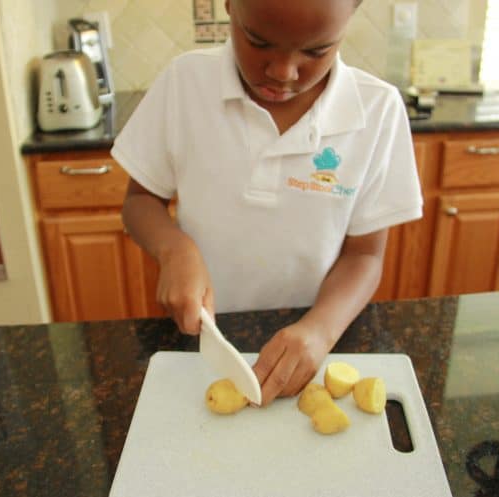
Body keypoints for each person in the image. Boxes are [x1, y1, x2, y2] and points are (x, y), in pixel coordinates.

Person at [111, 0, 422, 405]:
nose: (283, 72)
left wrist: (320, 330)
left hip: (316, 340)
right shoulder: (185, 82)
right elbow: (139, 202)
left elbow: (365, 256)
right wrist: (174, 250)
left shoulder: (377, 110)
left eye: (315, 51)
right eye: (258, 42)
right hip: (201, 337)